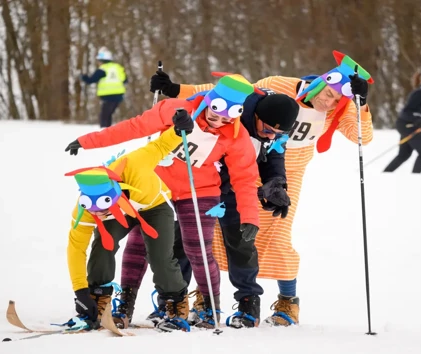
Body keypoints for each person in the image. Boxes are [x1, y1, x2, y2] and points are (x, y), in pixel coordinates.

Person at [150, 50, 374, 326]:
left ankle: (287, 302)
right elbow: (227, 92)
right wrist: (175, 90)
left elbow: (362, 135)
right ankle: (202, 296)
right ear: (320, 82)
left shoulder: (342, 109)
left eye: (338, 100)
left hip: (283, 175)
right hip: (239, 167)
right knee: (217, 235)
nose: (329, 103)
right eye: (328, 94)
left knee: (275, 238)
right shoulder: (280, 85)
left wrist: (361, 104)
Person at [64, 72, 261, 329]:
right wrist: (87, 141)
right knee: (138, 242)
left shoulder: (236, 135)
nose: (220, 119)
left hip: (199, 189)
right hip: (158, 186)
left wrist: (249, 217)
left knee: (197, 247)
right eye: (216, 109)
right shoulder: (176, 109)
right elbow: (133, 127)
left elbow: (244, 177)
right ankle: (125, 303)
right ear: (210, 99)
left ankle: (208, 307)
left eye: (230, 114)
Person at [150, 72, 301, 328]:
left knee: (242, 242)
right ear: (254, 116)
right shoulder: (235, 108)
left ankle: (248, 304)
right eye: (267, 129)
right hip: (200, 183)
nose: (271, 135)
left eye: (279, 133)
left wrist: (276, 183)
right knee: (185, 242)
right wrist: (174, 89)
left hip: (235, 186)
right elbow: (208, 92)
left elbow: (274, 153)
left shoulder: (276, 126)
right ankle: (174, 302)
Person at [64, 112, 195, 333]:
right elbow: (76, 248)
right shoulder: (85, 208)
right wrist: (81, 291)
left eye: (104, 208)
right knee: (103, 244)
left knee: (160, 256)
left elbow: (162, 146)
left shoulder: (135, 164)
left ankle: (175, 301)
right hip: (121, 212)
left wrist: (179, 129)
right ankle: (97, 299)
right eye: (97, 211)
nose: (100, 214)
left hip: (153, 206)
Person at [80, 47, 128, 128]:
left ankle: (104, 132)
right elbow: (125, 80)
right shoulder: (118, 67)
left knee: (104, 115)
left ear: (102, 60)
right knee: (108, 114)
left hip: (108, 95)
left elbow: (91, 80)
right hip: (119, 95)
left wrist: (83, 77)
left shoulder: (102, 69)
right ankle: (107, 131)